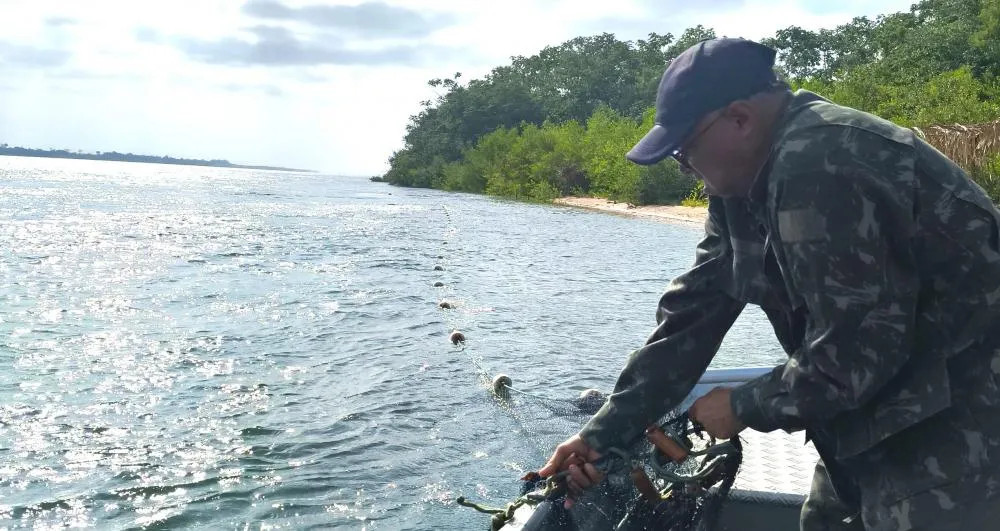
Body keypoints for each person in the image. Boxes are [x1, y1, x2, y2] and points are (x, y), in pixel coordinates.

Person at [537, 37, 1000, 530]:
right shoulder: (740, 184)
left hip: (962, 419)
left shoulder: (821, 162)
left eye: (685, 150)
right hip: (877, 413)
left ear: (739, 119)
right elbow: (693, 315)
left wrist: (742, 405)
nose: (686, 167)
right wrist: (604, 433)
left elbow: (857, 350)